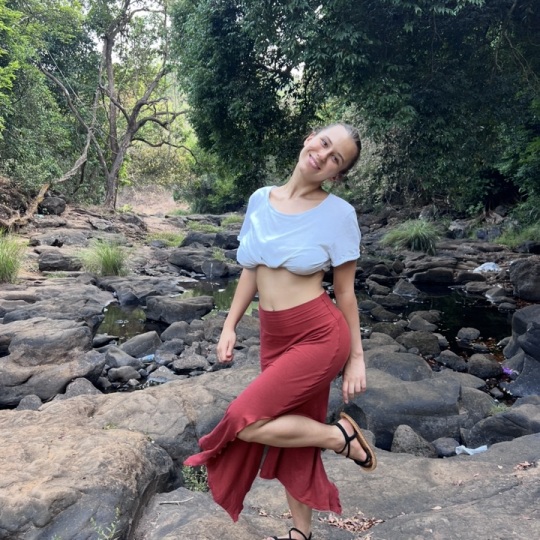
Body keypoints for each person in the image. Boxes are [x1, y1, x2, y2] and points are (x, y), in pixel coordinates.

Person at [184, 122, 376, 540]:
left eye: (336, 158)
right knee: (293, 435)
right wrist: (230, 324)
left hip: (319, 335)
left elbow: (346, 293)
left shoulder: (339, 215)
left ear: (337, 174)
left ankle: (338, 436)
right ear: (309, 139)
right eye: (323, 143)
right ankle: (300, 534)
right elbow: (251, 269)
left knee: (244, 421)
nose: (323, 156)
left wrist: (356, 358)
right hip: (273, 334)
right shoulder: (260, 200)